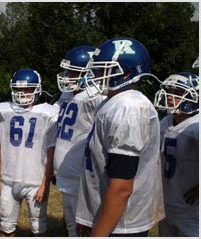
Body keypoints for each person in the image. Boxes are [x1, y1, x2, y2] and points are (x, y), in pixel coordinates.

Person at [75, 37, 165, 236]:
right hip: (108, 217)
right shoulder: (113, 102)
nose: (96, 75)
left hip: (121, 224)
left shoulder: (129, 107)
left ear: (125, 73)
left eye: (103, 69)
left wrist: (98, 233)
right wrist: (88, 215)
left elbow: (121, 187)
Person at [0, 68, 59, 236]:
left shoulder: (49, 113)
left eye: (27, 89)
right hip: (8, 179)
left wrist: (45, 183)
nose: (22, 93)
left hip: (35, 180)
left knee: (38, 226)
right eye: (18, 89)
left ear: (37, 89)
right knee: (6, 225)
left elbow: (51, 152)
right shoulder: (3, 109)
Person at [53, 46, 106, 237]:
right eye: (68, 71)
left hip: (82, 176)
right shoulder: (68, 95)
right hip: (66, 173)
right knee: (70, 227)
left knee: (83, 228)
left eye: (74, 72)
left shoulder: (96, 97)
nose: (68, 76)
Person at [154, 72, 199, 237]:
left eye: (178, 93)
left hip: (191, 210)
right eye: (170, 92)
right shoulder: (166, 121)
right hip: (167, 204)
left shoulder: (196, 126)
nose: (171, 96)